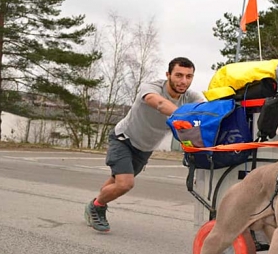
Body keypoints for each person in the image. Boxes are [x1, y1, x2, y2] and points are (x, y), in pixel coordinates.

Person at [84, 57, 205, 232]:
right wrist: (185, 115)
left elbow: (206, 110)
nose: (183, 81)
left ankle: (97, 205)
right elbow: (160, 104)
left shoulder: (191, 97)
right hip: (123, 139)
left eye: (189, 76)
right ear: (168, 74)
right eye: (178, 75)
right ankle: (96, 206)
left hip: (145, 149)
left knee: (115, 181)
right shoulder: (152, 87)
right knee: (125, 183)